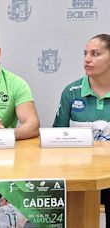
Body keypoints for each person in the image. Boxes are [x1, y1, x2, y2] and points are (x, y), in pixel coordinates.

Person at [52, 33, 110, 225]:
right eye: (85, 53)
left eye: (95, 54)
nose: (87, 59)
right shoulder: (71, 91)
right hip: (77, 173)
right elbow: (55, 137)